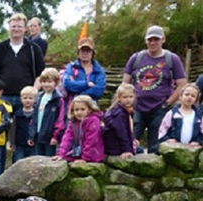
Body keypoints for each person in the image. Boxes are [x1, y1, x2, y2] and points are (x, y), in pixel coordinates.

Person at [122, 25, 187, 154]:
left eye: (156, 39)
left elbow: (182, 84)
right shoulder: (136, 58)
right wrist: (124, 104)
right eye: (149, 39)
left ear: (163, 39)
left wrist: (168, 103)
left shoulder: (171, 59)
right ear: (146, 40)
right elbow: (125, 84)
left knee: (155, 148)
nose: (152, 42)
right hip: (137, 107)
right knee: (129, 142)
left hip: (160, 108)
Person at [0, 13, 45, 111]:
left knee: (25, 127)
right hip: (2, 98)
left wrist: (34, 91)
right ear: (9, 28)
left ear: (25, 29)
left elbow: (41, 75)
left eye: (19, 26)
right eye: (13, 26)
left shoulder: (34, 49)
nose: (16, 29)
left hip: (26, 100)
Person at [54, 94, 105, 163]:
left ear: (89, 109)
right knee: (64, 158)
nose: (79, 112)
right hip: (79, 151)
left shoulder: (93, 121)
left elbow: (91, 141)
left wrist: (85, 158)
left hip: (93, 153)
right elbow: (67, 138)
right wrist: (61, 154)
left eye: (82, 109)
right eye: (76, 110)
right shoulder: (73, 121)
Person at [33, 68, 66, 157]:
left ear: (56, 82)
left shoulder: (58, 99)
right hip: (38, 135)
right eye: (44, 81)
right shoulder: (39, 97)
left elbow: (60, 120)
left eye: (49, 82)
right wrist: (32, 135)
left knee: (49, 159)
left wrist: (56, 136)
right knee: (38, 159)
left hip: (50, 137)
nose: (46, 84)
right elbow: (34, 118)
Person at [63, 38, 106, 104]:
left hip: (92, 107)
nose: (85, 53)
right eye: (82, 50)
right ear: (78, 52)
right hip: (72, 106)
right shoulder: (71, 67)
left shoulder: (99, 71)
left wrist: (79, 94)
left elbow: (99, 91)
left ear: (92, 53)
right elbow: (67, 84)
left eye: (88, 51)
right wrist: (87, 84)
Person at [103, 83, 139, 158]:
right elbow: (122, 133)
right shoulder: (119, 113)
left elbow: (129, 131)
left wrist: (133, 139)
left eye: (131, 97)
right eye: (125, 97)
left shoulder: (127, 111)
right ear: (119, 98)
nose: (128, 100)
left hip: (120, 145)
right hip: (115, 148)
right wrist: (127, 150)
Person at [13, 86, 38, 163]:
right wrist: (12, 143)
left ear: (35, 100)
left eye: (30, 98)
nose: (27, 100)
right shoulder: (17, 114)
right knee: (18, 162)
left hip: (34, 144)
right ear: (21, 99)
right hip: (19, 144)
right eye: (25, 98)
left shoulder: (37, 114)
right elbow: (13, 129)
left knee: (33, 163)